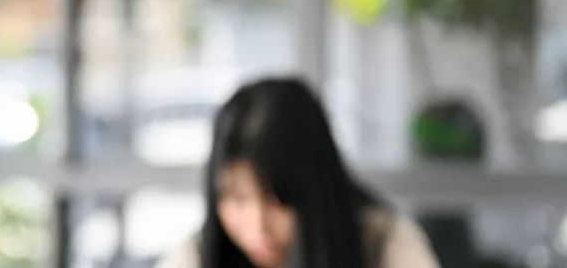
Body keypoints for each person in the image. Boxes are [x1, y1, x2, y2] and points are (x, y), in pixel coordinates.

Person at [157, 78, 438, 268]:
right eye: (236, 198)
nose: (257, 227)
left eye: (276, 198)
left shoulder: (385, 246)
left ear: (317, 188)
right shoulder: (198, 256)